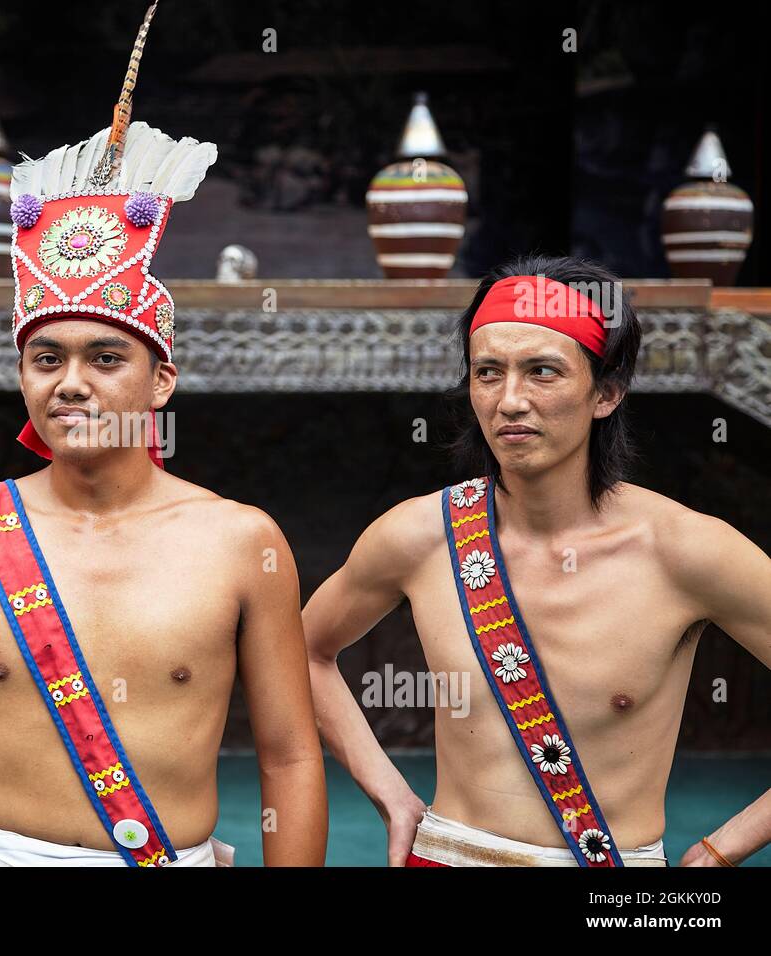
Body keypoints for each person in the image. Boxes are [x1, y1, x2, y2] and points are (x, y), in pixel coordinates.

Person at [0, 3, 327, 868]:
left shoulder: (242, 542)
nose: (71, 381)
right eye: (44, 356)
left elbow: (291, 756)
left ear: (162, 378)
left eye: (104, 356)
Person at [304, 254, 771, 867]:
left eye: (543, 372)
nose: (510, 401)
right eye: (488, 372)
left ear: (606, 392)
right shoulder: (420, 536)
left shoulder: (687, 551)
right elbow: (300, 649)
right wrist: (392, 796)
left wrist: (717, 852)